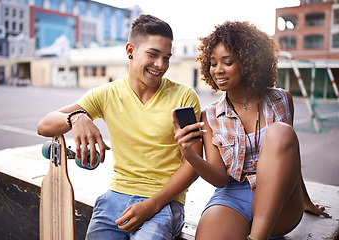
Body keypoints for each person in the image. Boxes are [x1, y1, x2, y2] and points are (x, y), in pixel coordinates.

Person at [37, 14, 201, 240]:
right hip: (115, 198)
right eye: (153, 54)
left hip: (164, 203)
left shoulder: (184, 97)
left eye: (167, 57)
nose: (160, 65)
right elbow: (44, 125)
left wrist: (153, 205)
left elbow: (194, 164)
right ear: (130, 50)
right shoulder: (107, 94)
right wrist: (77, 117)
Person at [172, 21, 331, 240]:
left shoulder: (281, 100)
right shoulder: (209, 116)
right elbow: (219, 179)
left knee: (280, 133)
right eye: (212, 63)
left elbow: (289, 156)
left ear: (248, 63)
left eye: (227, 62)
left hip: (280, 199)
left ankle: (257, 237)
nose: (218, 70)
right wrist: (190, 155)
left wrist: (305, 200)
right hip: (232, 196)